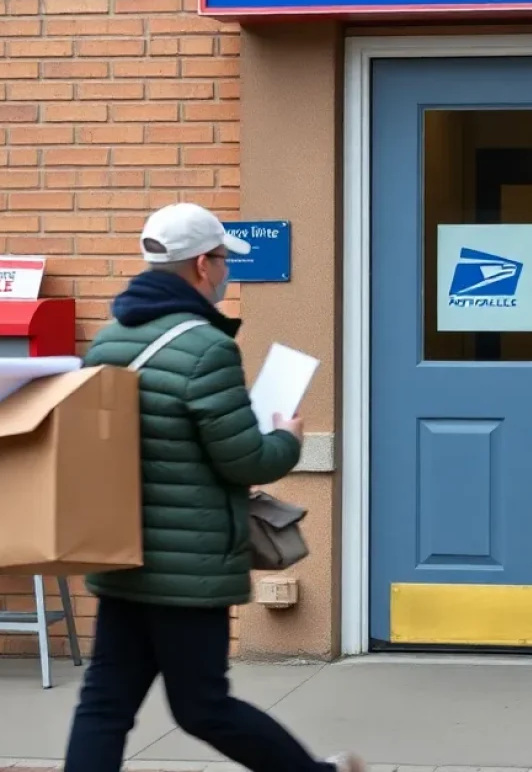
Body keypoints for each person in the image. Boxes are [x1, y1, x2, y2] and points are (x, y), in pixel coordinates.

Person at [64, 202, 364, 772]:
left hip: (122, 551)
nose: (227, 272)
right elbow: (246, 461)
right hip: (189, 566)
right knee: (204, 706)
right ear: (204, 264)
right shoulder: (207, 349)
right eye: (225, 260)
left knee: (104, 704)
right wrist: (287, 437)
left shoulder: (108, 341)